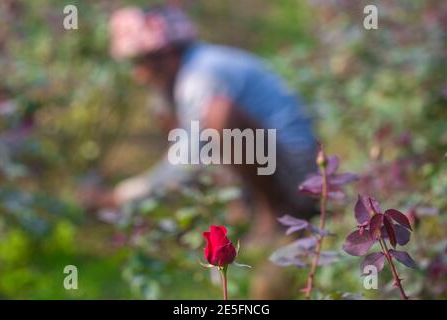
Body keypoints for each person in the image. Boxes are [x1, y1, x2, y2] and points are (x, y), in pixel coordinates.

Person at [102, 5, 318, 237]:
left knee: (219, 115)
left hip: (297, 175)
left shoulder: (202, 76)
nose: (139, 75)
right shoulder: (186, 76)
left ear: (167, 54)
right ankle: (232, 213)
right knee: (171, 116)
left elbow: (188, 158)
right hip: (269, 162)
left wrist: (125, 194)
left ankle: (277, 217)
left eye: (141, 62)